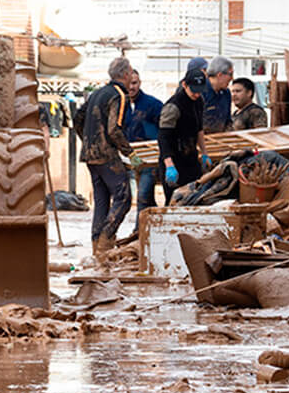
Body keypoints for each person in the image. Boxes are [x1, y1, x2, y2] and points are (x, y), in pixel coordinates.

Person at [75, 56, 140, 255]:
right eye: (130, 73)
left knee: (102, 201)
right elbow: (114, 129)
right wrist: (130, 153)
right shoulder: (118, 95)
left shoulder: (97, 92)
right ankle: (106, 241)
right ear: (126, 74)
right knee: (124, 197)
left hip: (89, 156)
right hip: (106, 155)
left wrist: (88, 141)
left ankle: (97, 249)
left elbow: (78, 117)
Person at [159, 66, 212, 204]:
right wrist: (169, 165)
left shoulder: (199, 102)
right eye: (193, 91)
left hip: (191, 159)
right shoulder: (173, 107)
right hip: (174, 160)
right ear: (184, 84)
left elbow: (199, 129)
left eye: (199, 91)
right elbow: (164, 138)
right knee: (174, 202)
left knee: (194, 199)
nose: (196, 94)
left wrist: (204, 153)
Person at [122, 69, 163, 218]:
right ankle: (151, 225)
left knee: (144, 195)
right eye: (129, 83)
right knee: (126, 198)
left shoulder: (153, 105)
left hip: (149, 159)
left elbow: (164, 131)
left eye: (134, 83)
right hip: (126, 158)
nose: (131, 87)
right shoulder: (119, 105)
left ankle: (139, 231)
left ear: (139, 83)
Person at [202, 55, 235, 134]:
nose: (232, 78)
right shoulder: (199, 92)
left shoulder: (226, 93)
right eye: (230, 74)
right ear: (219, 75)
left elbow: (228, 121)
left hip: (219, 140)